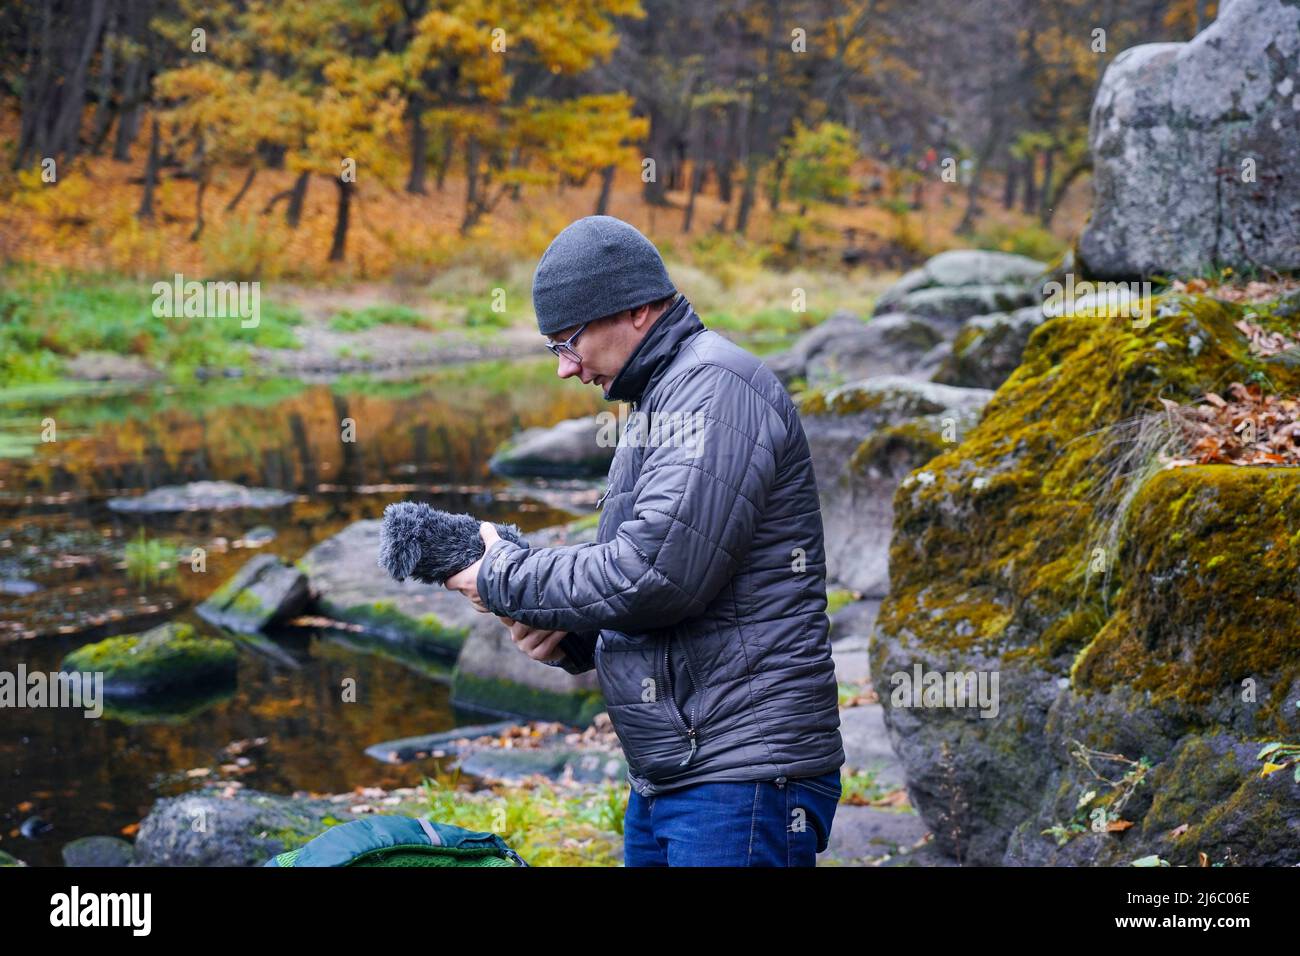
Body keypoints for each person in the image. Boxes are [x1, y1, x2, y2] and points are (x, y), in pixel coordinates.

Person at [445, 214, 844, 866]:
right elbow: (667, 586)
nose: (566, 371)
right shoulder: (661, 398)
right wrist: (570, 637)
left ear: (634, 310)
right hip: (678, 768)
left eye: (568, 343)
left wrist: (503, 575)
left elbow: (656, 574)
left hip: (740, 773)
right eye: (555, 350)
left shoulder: (714, 388)